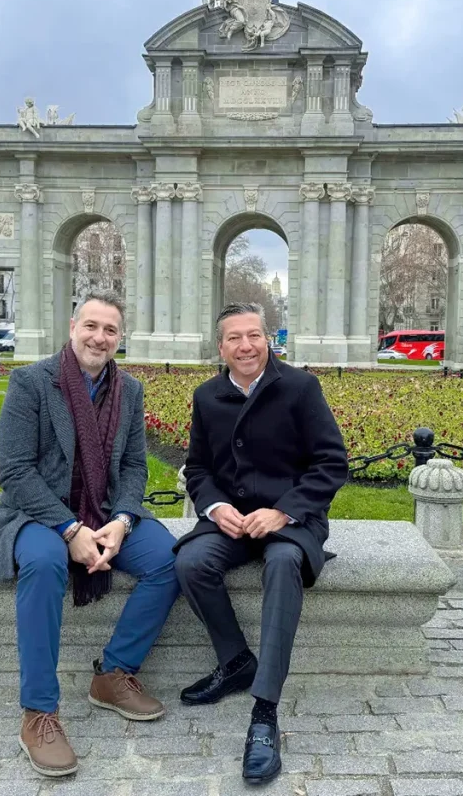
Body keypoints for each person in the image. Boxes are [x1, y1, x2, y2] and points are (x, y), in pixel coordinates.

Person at [0, 291, 180, 778]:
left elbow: (134, 466)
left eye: (110, 330)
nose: (99, 337)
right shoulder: (31, 382)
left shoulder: (128, 390)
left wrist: (123, 521)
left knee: (172, 558)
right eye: (91, 326)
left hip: (106, 513)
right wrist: (69, 528)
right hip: (36, 514)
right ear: (72, 328)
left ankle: (113, 674)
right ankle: (39, 713)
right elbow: (17, 471)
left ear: (120, 338)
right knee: (46, 563)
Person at [173, 302, 349, 785]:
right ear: (221, 346)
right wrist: (214, 507)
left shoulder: (299, 387)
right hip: (233, 523)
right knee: (190, 562)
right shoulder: (207, 395)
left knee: (283, 563)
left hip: (291, 521)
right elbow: (199, 468)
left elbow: (331, 463)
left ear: (267, 339)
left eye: (254, 335)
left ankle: (265, 712)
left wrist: (285, 510)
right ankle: (235, 662)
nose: (246, 346)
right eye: (235, 338)